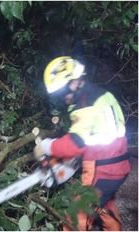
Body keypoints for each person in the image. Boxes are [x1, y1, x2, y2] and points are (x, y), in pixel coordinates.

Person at [34, 56, 131, 231]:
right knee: (104, 207)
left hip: (102, 170)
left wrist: (46, 146)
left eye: (63, 92)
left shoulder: (85, 105)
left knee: (76, 214)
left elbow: (74, 144)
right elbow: (95, 136)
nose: (63, 98)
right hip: (120, 165)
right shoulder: (102, 94)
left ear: (76, 80)